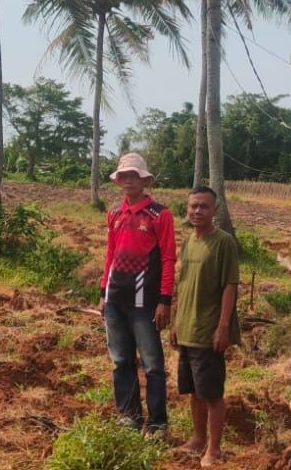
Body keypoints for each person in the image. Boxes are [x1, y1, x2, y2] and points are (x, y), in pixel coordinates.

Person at [100, 152, 176, 435]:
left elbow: (168, 258)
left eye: (133, 176)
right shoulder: (114, 214)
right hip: (115, 299)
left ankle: (157, 421)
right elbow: (110, 254)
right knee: (121, 360)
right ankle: (130, 416)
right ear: (118, 180)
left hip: (144, 302)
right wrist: (103, 292)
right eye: (124, 176)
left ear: (144, 180)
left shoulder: (159, 215)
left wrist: (165, 300)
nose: (128, 180)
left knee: (152, 363)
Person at [172, 186, 240, 467]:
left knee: (211, 393)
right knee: (194, 391)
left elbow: (230, 286)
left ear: (215, 210)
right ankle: (198, 438)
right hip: (187, 329)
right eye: (193, 206)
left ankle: (214, 449)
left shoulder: (223, 242)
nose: (197, 211)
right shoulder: (189, 240)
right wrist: (176, 322)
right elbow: (182, 284)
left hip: (208, 331)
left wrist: (223, 327)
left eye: (204, 206)